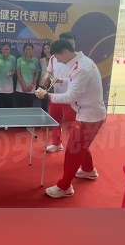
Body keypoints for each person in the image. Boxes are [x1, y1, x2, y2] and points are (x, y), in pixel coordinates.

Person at [35, 39, 106, 198]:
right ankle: (88, 171)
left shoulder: (82, 67)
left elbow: (71, 96)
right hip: (87, 113)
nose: (57, 60)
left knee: (73, 149)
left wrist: (46, 95)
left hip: (90, 116)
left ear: (66, 52)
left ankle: (65, 187)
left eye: (58, 57)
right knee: (81, 145)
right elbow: (76, 82)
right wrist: (62, 80)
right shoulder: (80, 62)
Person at [41, 32, 77, 152]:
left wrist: (61, 80)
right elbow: (49, 71)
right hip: (56, 95)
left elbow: (76, 79)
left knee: (72, 124)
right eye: (69, 43)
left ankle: (73, 147)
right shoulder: (53, 58)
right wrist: (46, 77)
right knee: (55, 120)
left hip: (70, 97)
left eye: (73, 43)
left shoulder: (78, 60)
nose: (72, 45)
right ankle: (57, 143)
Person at [0, 43, 16, 108]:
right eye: (3, 49)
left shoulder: (13, 58)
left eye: (7, 49)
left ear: (10, 50)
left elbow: (14, 71)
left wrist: (10, 73)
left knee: (8, 108)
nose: (5, 51)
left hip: (9, 89)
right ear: (1, 49)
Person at [15, 43, 39, 107]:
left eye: (30, 49)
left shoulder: (36, 60)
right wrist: (23, 86)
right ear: (23, 50)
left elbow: (36, 74)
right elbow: (18, 73)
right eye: (26, 49)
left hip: (31, 87)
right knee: (20, 106)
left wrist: (31, 86)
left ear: (32, 50)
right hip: (20, 87)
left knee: (29, 106)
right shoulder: (19, 60)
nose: (28, 51)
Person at [38, 42, 52, 112]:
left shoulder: (56, 59)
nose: (47, 50)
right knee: (43, 103)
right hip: (43, 83)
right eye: (45, 49)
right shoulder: (41, 60)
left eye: (48, 48)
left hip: (52, 83)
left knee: (51, 102)